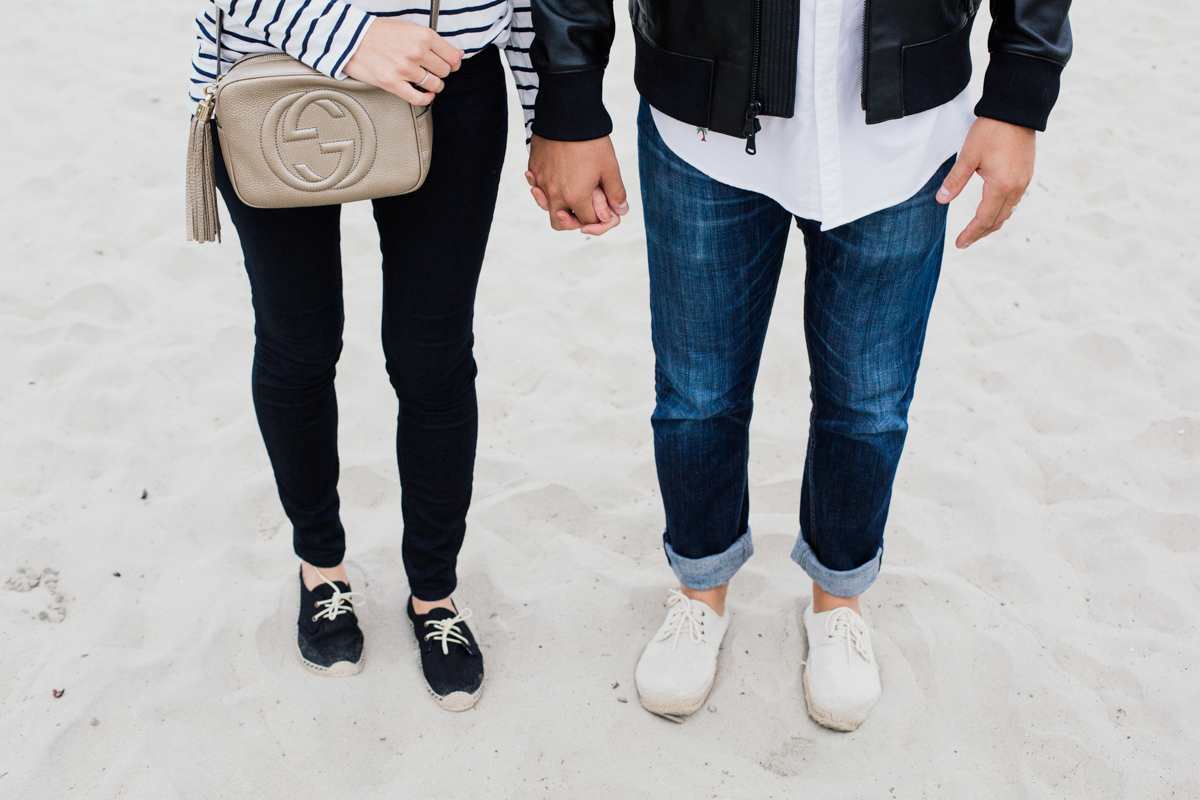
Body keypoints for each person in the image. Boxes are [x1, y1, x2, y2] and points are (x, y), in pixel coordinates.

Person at [525, 0, 1071, 728]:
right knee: (697, 393)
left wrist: (1019, 95)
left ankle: (838, 598)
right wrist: (568, 97)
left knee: (869, 401)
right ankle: (701, 590)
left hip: (903, 129)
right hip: (703, 111)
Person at [187, 0, 538, 710]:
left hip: (452, 69)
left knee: (433, 356)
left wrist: (553, 112)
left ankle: (434, 595)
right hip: (267, 69)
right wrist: (351, 35)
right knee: (299, 343)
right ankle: (322, 572)